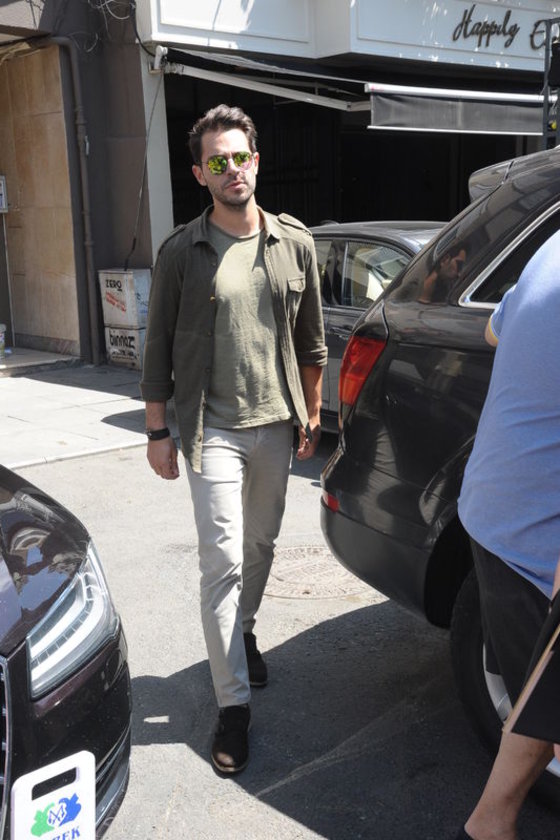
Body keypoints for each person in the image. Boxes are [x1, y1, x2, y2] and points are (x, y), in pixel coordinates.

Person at [140, 104, 327, 774]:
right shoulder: (181, 252)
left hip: (276, 423)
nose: (231, 169)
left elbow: (311, 341)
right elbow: (157, 347)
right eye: (216, 161)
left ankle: (243, 631)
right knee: (221, 560)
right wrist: (157, 430)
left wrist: (312, 412)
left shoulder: (294, 243)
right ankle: (233, 706)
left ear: (256, 160)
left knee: (261, 545)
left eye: (239, 156)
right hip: (210, 428)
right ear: (200, 174)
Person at [456, 228, 560, 840]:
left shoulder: (553, 244)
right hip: (533, 537)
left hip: (495, 511)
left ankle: (489, 825)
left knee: (538, 703)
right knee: (544, 705)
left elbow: (496, 330)